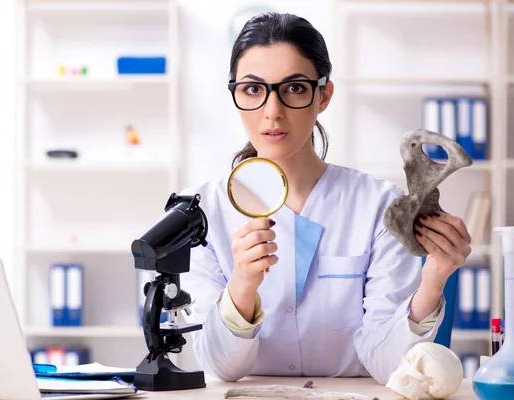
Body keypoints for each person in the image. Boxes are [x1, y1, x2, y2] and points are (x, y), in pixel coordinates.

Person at [180, 12, 472, 384]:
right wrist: (241, 284)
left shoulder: (380, 207)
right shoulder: (198, 212)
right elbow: (221, 368)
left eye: (295, 88)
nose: (273, 112)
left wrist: (432, 282)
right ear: (235, 95)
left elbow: (388, 367)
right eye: (253, 89)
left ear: (324, 96)